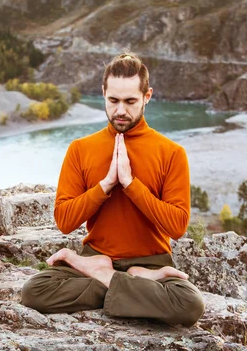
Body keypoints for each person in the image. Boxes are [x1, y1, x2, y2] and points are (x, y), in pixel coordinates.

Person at [21, 52, 205, 326]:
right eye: (113, 100)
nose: (121, 110)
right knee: (34, 291)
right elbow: (64, 220)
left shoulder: (171, 152)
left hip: (152, 262)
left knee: (190, 304)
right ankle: (129, 282)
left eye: (130, 101)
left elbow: (177, 226)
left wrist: (130, 184)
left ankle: (115, 278)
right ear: (103, 93)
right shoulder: (80, 149)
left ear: (147, 96)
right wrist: (106, 184)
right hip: (96, 258)